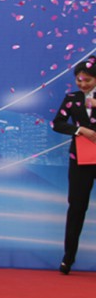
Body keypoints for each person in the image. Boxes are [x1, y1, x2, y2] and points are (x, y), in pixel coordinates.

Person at [52, 58, 96, 275]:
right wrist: (80, 130)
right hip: (80, 159)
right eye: (79, 80)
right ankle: (68, 258)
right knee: (77, 207)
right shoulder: (72, 98)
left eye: (87, 80)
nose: (82, 84)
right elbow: (57, 123)